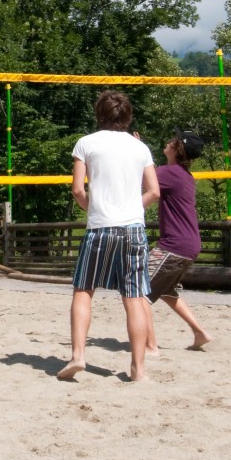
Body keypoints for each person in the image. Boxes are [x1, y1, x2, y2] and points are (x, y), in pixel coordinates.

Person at [57, 90, 160, 382]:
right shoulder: (140, 148)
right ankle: (139, 369)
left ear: (99, 113)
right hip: (133, 229)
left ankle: (78, 356)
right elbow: (154, 191)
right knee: (134, 297)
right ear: (128, 116)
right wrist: (128, 208)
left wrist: (97, 209)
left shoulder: (86, 143)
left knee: (83, 290)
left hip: (101, 227)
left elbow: (78, 189)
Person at [140, 128, 212, 353]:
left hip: (174, 246)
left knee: (138, 291)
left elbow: (142, 176)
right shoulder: (183, 175)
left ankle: (150, 346)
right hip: (188, 245)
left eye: (172, 140)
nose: (168, 141)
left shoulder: (171, 173)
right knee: (166, 290)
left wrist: (138, 150)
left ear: (177, 148)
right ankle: (200, 333)